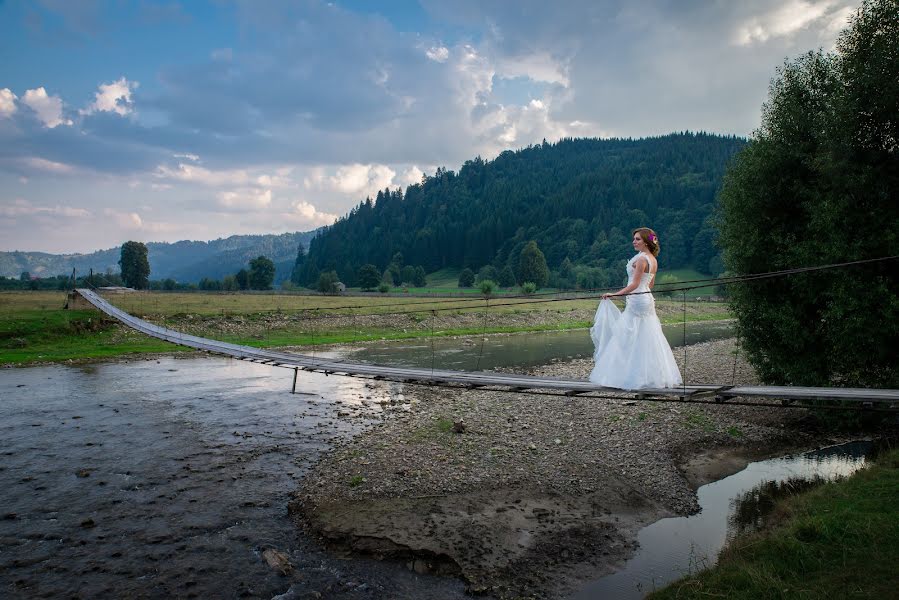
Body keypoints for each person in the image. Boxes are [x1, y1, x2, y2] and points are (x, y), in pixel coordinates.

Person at [588, 227, 683, 389]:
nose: (634, 241)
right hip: (646, 299)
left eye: (638, 239)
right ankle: (652, 376)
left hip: (637, 300)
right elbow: (650, 284)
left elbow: (635, 284)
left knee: (627, 336)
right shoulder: (652, 259)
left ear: (646, 241)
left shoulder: (641, 260)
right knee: (647, 335)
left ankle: (626, 376)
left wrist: (614, 295)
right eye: (634, 239)